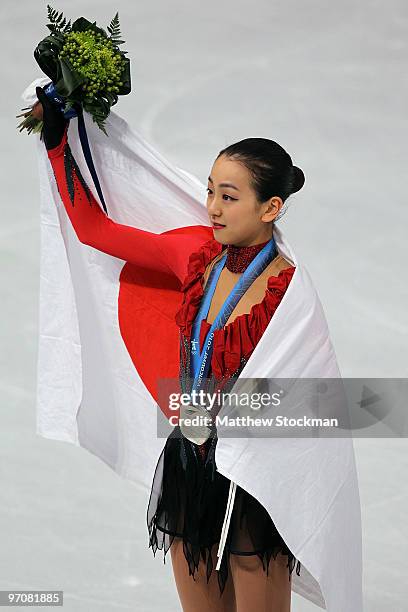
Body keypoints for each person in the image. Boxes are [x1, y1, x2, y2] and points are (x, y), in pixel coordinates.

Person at [35, 85, 306, 612]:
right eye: (210, 191)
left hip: (257, 470)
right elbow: (95, 230)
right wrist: (58, 142)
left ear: (271, 207)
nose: (213, 208)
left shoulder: (290, 292)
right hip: (189, 461)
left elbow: (304, 400)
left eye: (229, 197)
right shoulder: (192, 253)